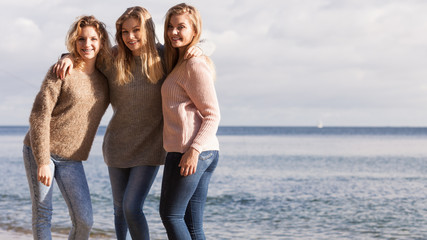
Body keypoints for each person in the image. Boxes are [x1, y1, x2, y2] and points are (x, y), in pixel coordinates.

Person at [54, 6, 214, 240]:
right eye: (124, 32)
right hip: (117, 145)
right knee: (120, 210)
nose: (130, 37)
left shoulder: (164, 56)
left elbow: (199, 43)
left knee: (131, 206)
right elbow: (86, 52)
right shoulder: (112, 58)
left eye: (136, 30)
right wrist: (66, 57)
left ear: (147, 30)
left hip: (150, 147)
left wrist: (201, 48)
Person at [23, 15, 111, 240]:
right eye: (81, 39)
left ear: (101, 42)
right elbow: (39, 115)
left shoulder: (105, 78)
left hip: (72, 158)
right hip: (41, 150)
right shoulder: (61, 70)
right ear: (74, 41)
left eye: (93, 39)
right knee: (43, 214)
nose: (87, 44)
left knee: (85, 220)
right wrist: (42, 160)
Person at [159, 3, 221, 240]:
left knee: (170, 215)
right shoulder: (179, 61)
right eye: (170, 27)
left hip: (192, 151)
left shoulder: (194, 64)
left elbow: (212, 114)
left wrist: (193, 151)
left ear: (194, 31)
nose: (174, 32)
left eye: (181, 27)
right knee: (192, 224)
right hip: (196, 150)